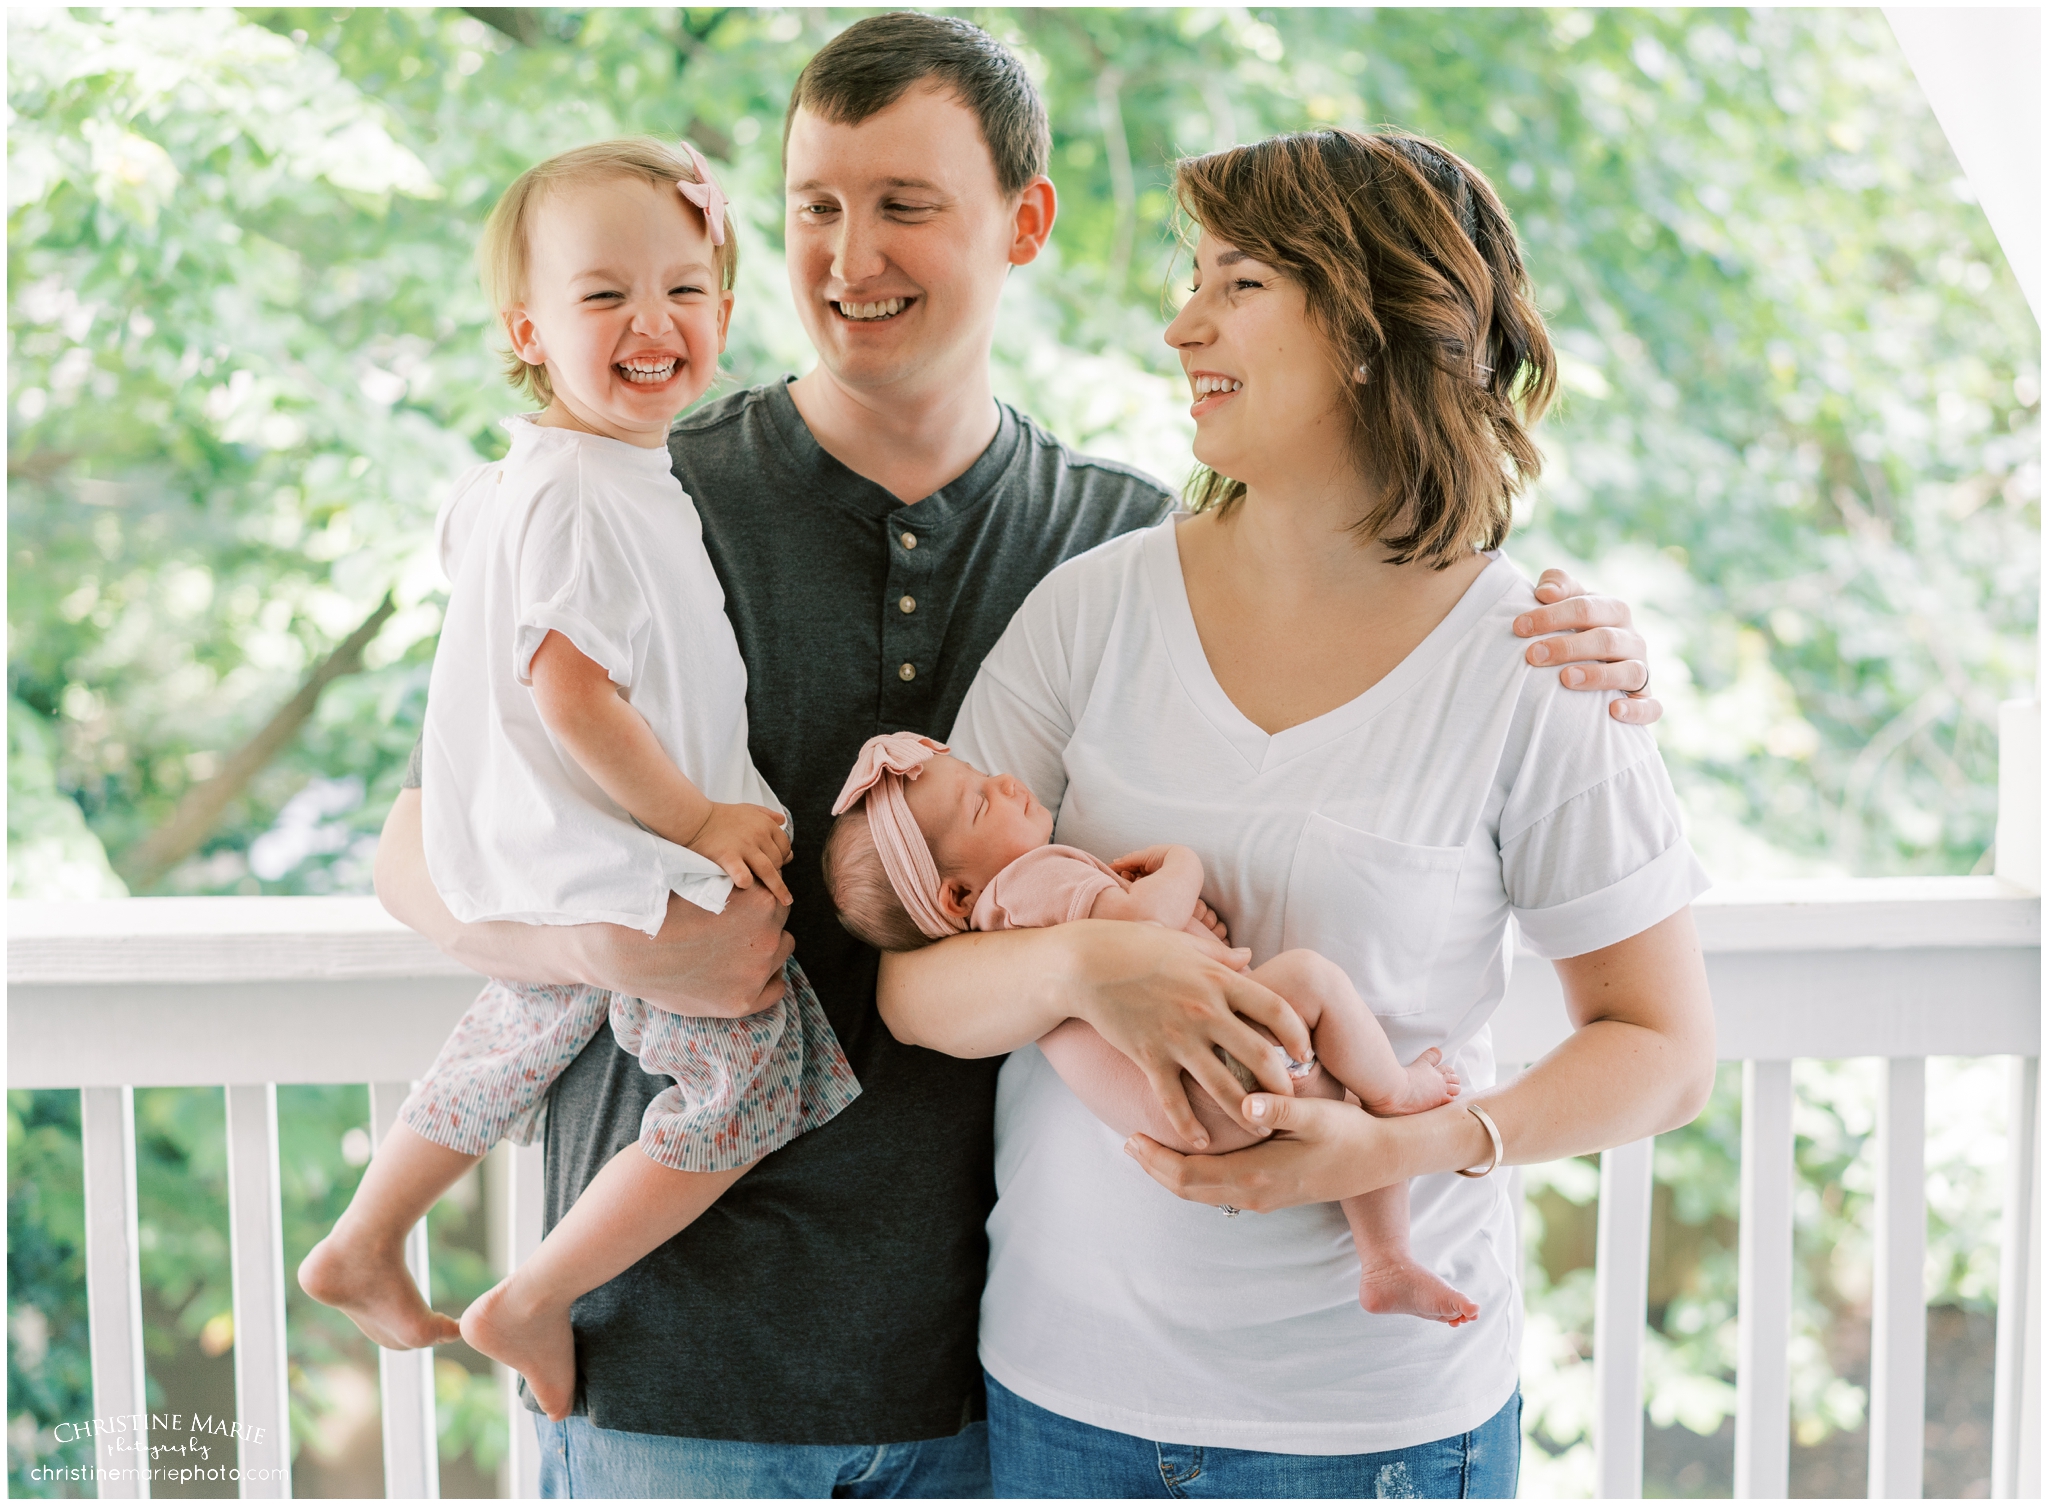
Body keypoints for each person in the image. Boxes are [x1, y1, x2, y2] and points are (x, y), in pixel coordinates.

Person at [372, 14, 1666, 1498]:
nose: (851, 259)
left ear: (1024, 221)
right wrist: (620, 949)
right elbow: (417, 838)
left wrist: (1577, 633)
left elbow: (1356, 581)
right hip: (672, 1357)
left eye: (907, 206)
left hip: (987, 1380)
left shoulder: (1114, 546)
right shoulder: (639, 482)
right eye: (815, 208)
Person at [875, 127, 1716, 1498]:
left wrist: (1412, 1142)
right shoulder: (1094, 610)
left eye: (1241, 281)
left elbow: (1664, 1049)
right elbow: (917, 989)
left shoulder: (1536, 660)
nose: (1180, 322)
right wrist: (1092, 961)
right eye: (1190, 276)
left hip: (1378, 1432)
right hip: (1064, 1400)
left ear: (1380, 325)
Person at [301, 139, 859, 1422]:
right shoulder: (587, 497)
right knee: (749, 1078)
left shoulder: (529, 482)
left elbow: (483, 585)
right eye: (604, 295)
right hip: (622, 855)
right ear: (531, 330)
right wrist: (697, 817)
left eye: (686, 287)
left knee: (523, 1020)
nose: (653, 322)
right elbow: (568, 689)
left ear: (723, 308)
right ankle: (536, 1294)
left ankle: (366, 1234)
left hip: (535, 856)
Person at [823, 730, 1477, 1325]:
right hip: (1195, 1077)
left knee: (1343, 1106)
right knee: (1312, 981)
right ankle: (1399, 1091)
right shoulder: (1026, 882)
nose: (1005, 784)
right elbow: (1143, 928)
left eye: (982, 775)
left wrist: (1193, 930)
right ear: (957, 898)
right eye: (978, 805)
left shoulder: (1004, 931)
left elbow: (1139, 965)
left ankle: (1387, 1264)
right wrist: (1182, 869)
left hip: (1176, 1112)